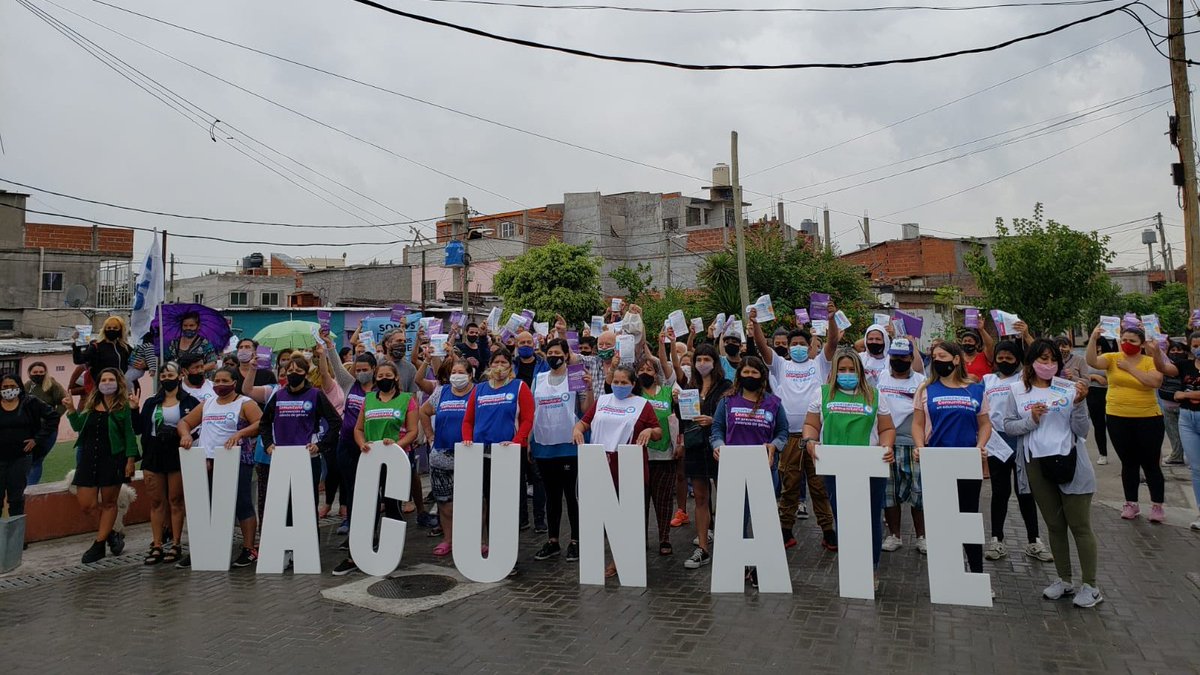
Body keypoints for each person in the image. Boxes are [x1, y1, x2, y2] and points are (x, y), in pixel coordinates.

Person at [1003, 339, 1100, 608]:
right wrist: (1031, 419)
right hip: (1036, 464)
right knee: (1055, 525)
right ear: (1030, 362)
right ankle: (1064, 579)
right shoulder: (1017, 391)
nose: (1047, 365)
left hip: (1070, 462)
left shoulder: (1069, 389)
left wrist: (1080, 404)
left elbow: (1082, 431)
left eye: (1052, 359)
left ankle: (1091, 585)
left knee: (1079, 525)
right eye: (1042, 359)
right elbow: (1009, 426)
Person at [803, 350, 896, 589]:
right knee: (843, 517)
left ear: (860, 371)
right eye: (841, 370)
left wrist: (887, 445)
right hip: (835, 467)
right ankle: (852, 567)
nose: (847, 374)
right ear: (834, 372)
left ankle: (872, 569)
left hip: (870, 467)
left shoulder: (874, 395)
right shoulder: (822, 394)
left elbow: (886, 428)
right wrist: (810, 442)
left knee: (871, 518)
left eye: (851, 369)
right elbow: (811, 425)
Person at [750, 305, 840, 552]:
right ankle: (785, 530)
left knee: (819, 488)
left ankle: (828, 531)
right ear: (788, 348)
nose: (798, 347)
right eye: (794, 344)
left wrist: (831, 319)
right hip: (789, 436)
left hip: (816, 438)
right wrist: (756, 324)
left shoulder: (819, 364)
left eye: (803, 343)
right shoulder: (780, 366)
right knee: (789, 486)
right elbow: (761, 346)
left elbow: (832, 342)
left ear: (809, 345)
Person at [911, 342, 990, 581]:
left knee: (968, 518)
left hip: (966, 461)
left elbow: (985, 424)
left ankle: (975, 573)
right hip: (937, 461)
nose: (937, 360)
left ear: (956, 359)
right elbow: (917, 423)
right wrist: (919, 446)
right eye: (934, 357)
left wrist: (980, 446)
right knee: (940, 520)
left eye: (942, 355)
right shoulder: (925, 390)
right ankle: (945, 576)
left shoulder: (975, 390)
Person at [572, 364, 660, 578]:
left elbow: (658, 431)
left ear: (632, 384)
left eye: (624, 382)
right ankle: (615, 555)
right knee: (604, 515)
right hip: (602, 463)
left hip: (629, 464)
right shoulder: (602, 401)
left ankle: (622, 560)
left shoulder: (642, 405)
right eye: (616, 382)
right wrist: (577, 429)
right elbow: (585, 422)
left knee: (629, 514)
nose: (619, 386)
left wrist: (649, 430)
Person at [334, 360, 419, 576]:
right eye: (379, 376)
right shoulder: (369, 399)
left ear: (396, 378)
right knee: (366, 506)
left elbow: (412, 431)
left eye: (387, 376)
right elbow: (358, 428)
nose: (383, 379)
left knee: (392, 506)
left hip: (396, 461)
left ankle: (391, 554)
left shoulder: (407, 400)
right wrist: (361, 442)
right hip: (371, 460)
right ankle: (358, 554)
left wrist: (396, 446)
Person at [713, 356, 790, 588]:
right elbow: (717, 429)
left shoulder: (774, 403)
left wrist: (775, 445)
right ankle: (742, 563)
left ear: (762, 377)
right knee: (738, 519)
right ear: (739, 376)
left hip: (765, 470)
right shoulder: (727, 402)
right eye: (745, 373)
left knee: (762, 520)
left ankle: (760, 566)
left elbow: (783, 432)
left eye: (754, 373)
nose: (750, 377)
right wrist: (717, 445)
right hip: (733, 469)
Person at [177, 367, 263, 568]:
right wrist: (186, 434)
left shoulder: (244, 403)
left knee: (242, 503)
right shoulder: (208, 403)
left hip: (237, 460)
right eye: (216, 381)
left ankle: (249, 548)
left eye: (225, 380)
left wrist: (241, 434)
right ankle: (202, 547)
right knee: (205, 505)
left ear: (234, 383)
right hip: (207, 461)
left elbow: (261, 422)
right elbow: (184, 422)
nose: (220, 385)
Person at [462, 348, 534, 574]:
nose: (500, 366)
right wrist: (467, 441)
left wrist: (517, 441)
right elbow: (468, 421)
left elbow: (527, 419)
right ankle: (491, 550)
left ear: (510, 366)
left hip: (508, 455)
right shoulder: (479, 390)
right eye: (496, 362)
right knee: (486, 503)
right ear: (489, 365)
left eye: (504, 362)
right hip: (481, 455)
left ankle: (508, 556)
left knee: (506, 507)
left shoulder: (519, 387)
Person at [1085, 325, 1166, 522]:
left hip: (1148, 417)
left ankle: (1157, 505)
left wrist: (1130, 368)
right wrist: (1093, 339)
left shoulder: (1149, 361)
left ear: (1141, 344)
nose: (1127, 344)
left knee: (1150, 463)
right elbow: (1092, 361)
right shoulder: (1113, 358)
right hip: (1117, 416)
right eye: (1124, 340)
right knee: (1128, 462)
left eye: (1132, 341)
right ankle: (1131, 503)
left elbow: (1155, 382)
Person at [981, 340, 1051, 562]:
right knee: (1000, 493)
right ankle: (996, 539)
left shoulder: (1024, 381)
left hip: (1022, 440)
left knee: (1026, 493)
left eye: (1009, 358)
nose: (1004, 361)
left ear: (1018, 360)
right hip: (996, 443)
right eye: (1000, 358)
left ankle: (1034, 540)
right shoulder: (986, 380)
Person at [63, 368, 138, 563]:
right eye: (103, 379)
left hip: (112, 458)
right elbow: (78, 426)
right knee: (87, 504)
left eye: (111, 379)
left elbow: (130, 434)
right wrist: (71, 410)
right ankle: (112, 532)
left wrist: (130, 460)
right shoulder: (91, 403)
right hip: (89, 457)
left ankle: (99, 544)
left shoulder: (123, 406)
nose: (107, 382)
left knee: (109, 503)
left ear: (118, 382)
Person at [259, 354, 342, 529]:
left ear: (306, 373)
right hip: (282, 458)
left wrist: (320, 446)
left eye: (298, 370)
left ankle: (310, 547)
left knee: (306, 505)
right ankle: (288, 547)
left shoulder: (316, 395)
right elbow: (264, 422)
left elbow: (335, 422)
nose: (293, 374)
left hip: (308, 458)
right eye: (290, 371)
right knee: (284, 504)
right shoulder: (279, 395)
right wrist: (268, 444)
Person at [529, 340, 591, 562]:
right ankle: (553, 540)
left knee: (572, 496)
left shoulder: (575, 375)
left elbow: (585, 410)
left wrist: (589, 388)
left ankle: (575, 540)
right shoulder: (539, 378)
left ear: (567, 355)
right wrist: (529, 441)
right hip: (544, 445)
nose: (553, 355)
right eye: (550, 352)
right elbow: (532, 411)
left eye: (558, 352)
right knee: (551, 496)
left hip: (570, 445)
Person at [133, 363, 199, 565]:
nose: (166, 378)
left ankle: (177, 543)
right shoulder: (152, 402)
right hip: (154, 452)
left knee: (176, 500)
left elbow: (198, 428)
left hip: (177, 452)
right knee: (156, 502)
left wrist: (180, 435)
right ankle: (157, 543)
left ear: (180, 375)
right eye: (163, 375)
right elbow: (139, 429)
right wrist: (134, 410)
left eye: (170, 374)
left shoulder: (190, 401)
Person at [678, 344, 728, 570]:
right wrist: (677, 401)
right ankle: (703, 548)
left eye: (707, 359)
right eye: (698, 359)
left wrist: (713, 420)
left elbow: (731, 416)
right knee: (700, 497)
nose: (702, 363)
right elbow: (682, 418)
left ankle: (730, 543)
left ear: (715, 362)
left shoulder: (726, 387)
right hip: (696, 446)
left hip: (718, 446)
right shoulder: (690, 386)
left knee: (726, 496)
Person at [420, 357, 476, 557]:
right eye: (454, 372)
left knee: (476, 502)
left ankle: (477, 539)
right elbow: (424, 411)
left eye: (461, 372)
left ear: (470, 375)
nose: (457, 376)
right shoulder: (441, 392)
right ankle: (448, 540)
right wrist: (429, 436)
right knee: (444, 503)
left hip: (470, 457)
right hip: (441, 456)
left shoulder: (478, 393)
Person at [876, 338, 926, 554]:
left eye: (903, 357)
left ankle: (922, 537)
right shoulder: (881, 377)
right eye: (894, 357)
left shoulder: (922, 381)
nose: (898, 360)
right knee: (889, 494)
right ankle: (894, 535)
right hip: (887, 445)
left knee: (919, 493)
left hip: (912, 445)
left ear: (910, 358)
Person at [1149, 332, 1200, 530]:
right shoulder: (1185, 365)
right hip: (1187, 418)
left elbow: (1182, 394)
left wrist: (1185, 394)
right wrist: (1156, 351)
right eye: (1194, 344)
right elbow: (1162, 368)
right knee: (1195, 468)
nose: (1197, 348)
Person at [0, 373, 59, 528]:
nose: (8, 390)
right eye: (5, 387)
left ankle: (16, 535)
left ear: (19, 386)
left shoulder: (30, 402)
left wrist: (37, 439)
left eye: (12, 386)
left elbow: (53, 417)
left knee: (16, 497)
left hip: (20, 458)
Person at [638, 356, 680, 557]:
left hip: (664, 454)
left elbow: (678, 419)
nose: (645, 373)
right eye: (641, 370)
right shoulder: (632, 394)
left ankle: (664, 538)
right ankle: (640, 537)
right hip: (639, 456)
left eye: (649, 369)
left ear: (656, 373)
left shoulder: (668, 393)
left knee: (663, 500)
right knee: (639, 500)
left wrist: (680, 443)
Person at [512, 330, 548, 534]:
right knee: (518, 474)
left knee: (537, 474)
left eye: (528, 341)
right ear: (516, 344)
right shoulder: (512, 365)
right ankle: (522, 517)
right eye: (521, 342)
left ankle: (540, 519)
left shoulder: (542, 365)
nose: (525, 344)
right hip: (515, 424)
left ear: (534, 343)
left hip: (537, 422)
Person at [23, 361, 67, 485]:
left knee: (37, 459)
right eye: (35, 372)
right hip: (31, 428)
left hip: (48, 429)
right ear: (29, 373)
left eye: (41, 372)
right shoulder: (27, 386)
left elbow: (64, 401)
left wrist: (54, 416)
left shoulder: (52, 385)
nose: (38, 374)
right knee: (28, 459)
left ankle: (31, 487)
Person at [73, 316, 133, 390]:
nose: (111, 330)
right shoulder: (96, 346)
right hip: (101, 388)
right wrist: (77, 345)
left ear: (121, 330)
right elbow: (79, 360)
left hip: (122, 388)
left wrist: (144, 364)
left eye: (115, 328)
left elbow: (137, 360)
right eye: (109, 328)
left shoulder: (125, 347)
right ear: (104, 329)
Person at [1085, 336, 1117, 465]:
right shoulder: (1086, 359)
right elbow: (1080, 375)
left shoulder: (1110, 357)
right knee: (1098, 425)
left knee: (1114, 424)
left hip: (1110, 392)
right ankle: (1102, 453)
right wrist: (1094, 376)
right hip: (1093, 393)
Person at [1159, 339, 1188, 466]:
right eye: (1173, 350)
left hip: (1185, 407)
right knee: (1173, 434)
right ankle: (1177, 455)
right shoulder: (1165, 363)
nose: (1176, 353)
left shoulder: (1189, 365)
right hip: (1168, 405)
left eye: (1179, 350)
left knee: (1187, 435)